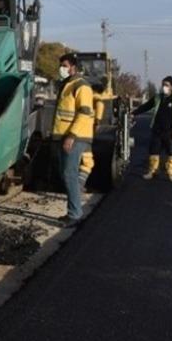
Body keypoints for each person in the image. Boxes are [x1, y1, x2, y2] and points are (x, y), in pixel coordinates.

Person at [52, 53, 96, 226]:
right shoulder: (67, 84)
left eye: (64, 65)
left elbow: (84, 112)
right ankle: (74, 208)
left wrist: (71, 135)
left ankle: (75, 214)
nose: (61, 69)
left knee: (69, 174)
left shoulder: (81, 86)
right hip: (67, 135)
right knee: (68, 175)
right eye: (61, 66)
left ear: (73, 67)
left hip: (75, 136)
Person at [134, 75, 172, 181]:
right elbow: (146, 106)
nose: (164, 87)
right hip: (157, 129)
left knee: (171, 152)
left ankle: (171, 173)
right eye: (163, 85)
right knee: (154, 151)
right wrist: (134, 113)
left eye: (166, 85)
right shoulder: (158, 97)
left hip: (170, 131)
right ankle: (152, 171)